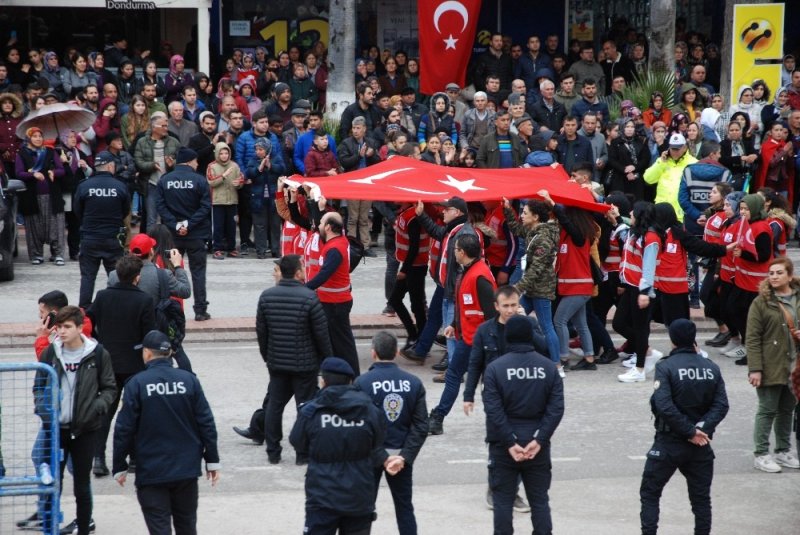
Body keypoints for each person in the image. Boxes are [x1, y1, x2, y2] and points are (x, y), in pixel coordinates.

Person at [113, 330, 220, 534]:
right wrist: (212, 460)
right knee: (187, 526)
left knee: (159, 528)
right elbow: (206, 422)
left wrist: (119, 465)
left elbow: (124, 428)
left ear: (147, 353)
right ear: (170, 353)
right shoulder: (189, 380)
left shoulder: (137, 384)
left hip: (151, 469)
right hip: (186, 469)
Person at [639, 318, 729, 535]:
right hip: (701, 445)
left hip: (669, 442)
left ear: (672, 340)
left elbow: (663, 405)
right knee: (701, 500)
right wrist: (700, 429)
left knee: (650, 493)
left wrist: (690, 432)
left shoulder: (666, 367)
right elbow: (721, 405)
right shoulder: (711, 367)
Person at [35, 306, 117, 535]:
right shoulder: (51, 353)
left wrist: (95, 408)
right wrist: (44, 411)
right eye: (59, 327)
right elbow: (39, 386)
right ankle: (50, 528)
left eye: (67, 327)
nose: (61, 331)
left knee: (82, 485)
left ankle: (83, 528)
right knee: (53, 483)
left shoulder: (97, 353)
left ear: (80, 328)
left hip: (85, 429)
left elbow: (109, 388)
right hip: (56, 429)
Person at [289, 357, 392, 535]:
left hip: (322, 496)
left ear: (323, 382)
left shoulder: (312, 411)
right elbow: (379, 440)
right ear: (351, 381)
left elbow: (297, 441)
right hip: (359, 495)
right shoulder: (369, 409)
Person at [483, 314, 564, 535]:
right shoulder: (549, 368)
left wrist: (510, 442)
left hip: (503, 445)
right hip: (536, 445)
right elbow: (556, 408)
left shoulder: (495, 369)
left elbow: (493, 410)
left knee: (502, 502)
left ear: (507, 336)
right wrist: (540, 439)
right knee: (539, 501)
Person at [250, 254, 333, 463]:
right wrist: (327, 360)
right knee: (304, 407)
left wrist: (267, 356)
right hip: (305, 364)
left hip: (277, 362)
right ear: (297, 273)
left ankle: (273, 451)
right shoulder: (310, 297)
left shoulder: (266, 296)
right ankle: (302, 453)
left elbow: (261, 331)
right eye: (302, 267)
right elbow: (321, 334)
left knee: (275, 406)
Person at [86, 254, 155, 477]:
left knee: (106, 411)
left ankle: (98, 458)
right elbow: (149, 334)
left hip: (108, 361)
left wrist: (100, 342)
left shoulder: (103, 296)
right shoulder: (144, 300)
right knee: (135, 411)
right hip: (135, 363)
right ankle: (134, 457)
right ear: (137, 277)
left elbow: (89, 322)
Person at [354, 332, 428, 535]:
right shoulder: (414, 383)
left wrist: (382, 457)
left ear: (373, 353)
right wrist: (404, 456)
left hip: (371, 456)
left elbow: (360, 425)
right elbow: (421, 425)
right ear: (396, 352)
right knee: (405, 509)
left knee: (363, 510)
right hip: (401, 456)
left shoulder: (362, 383)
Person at [428, 233, 497, 435]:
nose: (453, 251)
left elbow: (491, 315)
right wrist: (454, 324)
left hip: (477, 341)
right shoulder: (467, 272)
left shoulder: (479, 277)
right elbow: (466, 305)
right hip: (467, 337)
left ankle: (438, 417)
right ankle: (438, 417)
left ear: (463, 252)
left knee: (483, 382)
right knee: (458, 377)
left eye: (456, 248)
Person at [745, 256, 800, 473]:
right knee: (767, 410)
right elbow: (752, 338)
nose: (774, 277)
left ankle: (783, 450)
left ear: (789, 275)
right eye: (771, 273)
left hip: (795, 366)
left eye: (779, 273)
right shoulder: (761, 302)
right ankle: (761, 453)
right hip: (771, 364)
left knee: (787, 409)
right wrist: (755, 369)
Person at [155, 147, 213, 321]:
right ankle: (200, 310)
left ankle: (169, 309)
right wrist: (189, 224)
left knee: (169, 272)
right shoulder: (200, 180)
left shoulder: (165, 180)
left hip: (172, 235)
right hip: (196, 233)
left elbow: (160, 206)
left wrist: (175, 224)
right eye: (195, 161)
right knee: (198, 272)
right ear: (189, 161)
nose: (197, 164)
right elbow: (205, 206)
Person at [73, 151, 131, 308]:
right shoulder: (120, 186)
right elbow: (125, 211)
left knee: (88, 277)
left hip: (90, 237)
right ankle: (119, 308)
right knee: (117, 277)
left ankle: (84, 309)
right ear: (111, 166)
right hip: (113, 238)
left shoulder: (84, 186)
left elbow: (78, 211)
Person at [306, 211, 360, 376]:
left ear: (328, 227)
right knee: (332, 340)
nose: (319, 226)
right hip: (332, 301)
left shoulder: (335, 248)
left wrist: (305, 288)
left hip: (336, 303)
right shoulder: (336, 242)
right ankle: (336, 373)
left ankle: (354, 376)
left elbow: (324, 274)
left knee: (343, 342)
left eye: (321, 223)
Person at [15, 126, 67, 265]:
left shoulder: (50, 152)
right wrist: (33, 174)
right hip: (32, 196)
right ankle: (36, 254)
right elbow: (19, 173)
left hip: (52, 195)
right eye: (34, 136)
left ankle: (57, 254)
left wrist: (53, 172)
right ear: (29, 138)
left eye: (40, 136)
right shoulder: (22, 154)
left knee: (56, 224)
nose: (38, 139)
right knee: (34, 225)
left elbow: (61, 170)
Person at [134, 113, 180, 230]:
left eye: (166, 125)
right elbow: (138, 162)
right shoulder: (142, 141)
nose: (166, 128)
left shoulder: (174, 141)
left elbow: (182, 162)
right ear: (154, 127)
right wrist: (152, 165)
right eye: (163, 126)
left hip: (169, 185)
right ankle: (151, 242)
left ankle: (168, 241)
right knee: (151, 219)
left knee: (170, 218)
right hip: (151, 184)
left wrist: (172, 164)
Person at [643, 133, 697, 222]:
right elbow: (648, 179)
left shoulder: (693, 163)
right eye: (672, 149)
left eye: (677, 149)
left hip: (682, 213)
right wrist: (661, 163)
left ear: (684, 148)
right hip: (662, 211)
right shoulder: (662, 161)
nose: (674, 152)